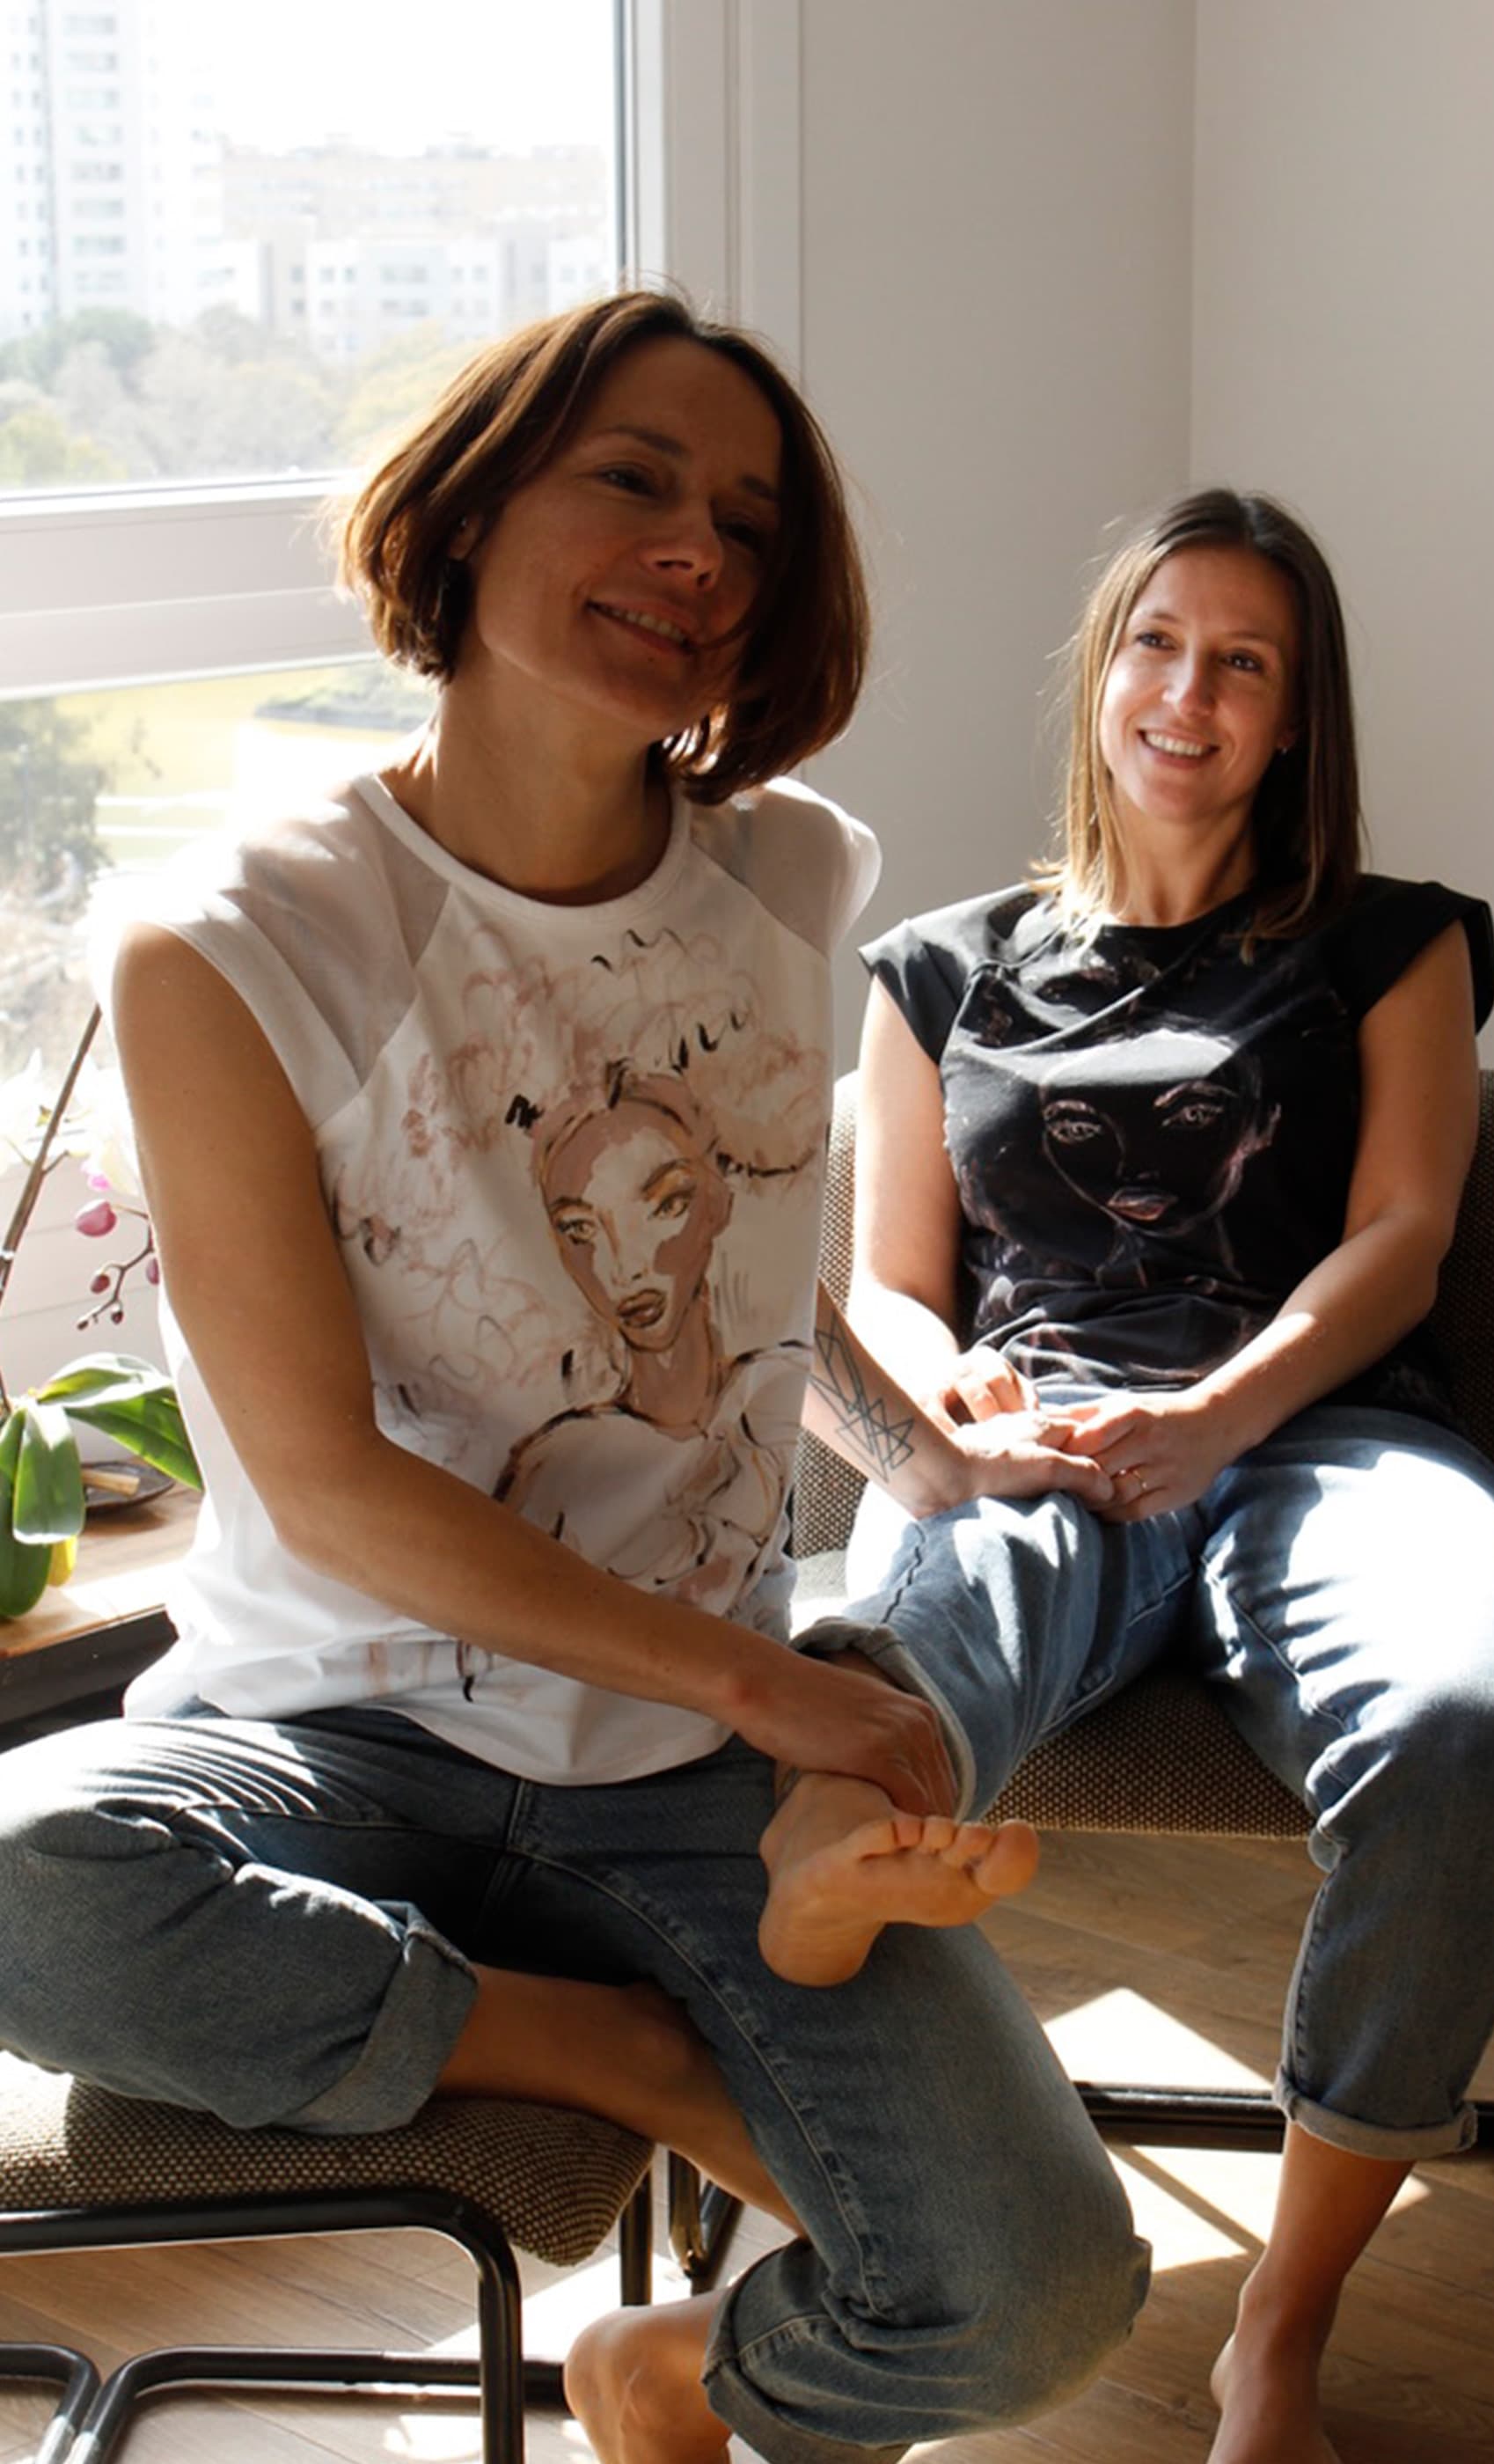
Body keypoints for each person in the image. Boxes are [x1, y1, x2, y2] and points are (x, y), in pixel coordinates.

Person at [0, 292, 1146, 2464]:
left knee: (1039, 2292)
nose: (699, 546)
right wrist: (771, 1689)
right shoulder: (238, 942)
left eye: (750, 519)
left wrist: (932, 1454)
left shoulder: (797, 878)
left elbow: (751, 1292)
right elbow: (323, 1486)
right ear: (471, 503)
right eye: (633, 476)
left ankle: (671, 2364)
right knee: (23, 1879)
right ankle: (616, 2053)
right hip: (328, 1734)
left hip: (687, 1758)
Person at [774, 489, 1494, 2464]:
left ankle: (1275, 2336)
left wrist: (1221, 1410)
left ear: (1297, 717)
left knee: (1468, 1717)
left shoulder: (1394, 945)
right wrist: (957, 1400)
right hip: (1030, 1442)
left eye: (1243, 661)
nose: (1186, 692)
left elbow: (1401, 1235)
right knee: (865, 1707)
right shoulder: (935, 968)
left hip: (1329, 1435)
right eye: (1155, 642)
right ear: (1100, 670)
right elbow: (887, 1281)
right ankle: (883, 2246)